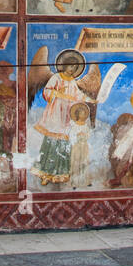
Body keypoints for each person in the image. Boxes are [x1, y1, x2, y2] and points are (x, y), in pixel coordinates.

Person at [32, 50, 91, 185]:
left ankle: (61, 174)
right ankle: (45, 174)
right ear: (65, 65)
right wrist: (58, 93)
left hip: (67, 116)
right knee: (51, 143)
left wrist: (91, 100)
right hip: (56, 114)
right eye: (71, 66)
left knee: (64, 144)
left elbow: (78, 95)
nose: (72, 69)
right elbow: (46, 92)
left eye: (75, 68)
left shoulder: (72, 81)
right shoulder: (56, 78)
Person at [68, 101, 91, 189]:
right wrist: (77, 135)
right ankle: (74, 182)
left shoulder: (85, 125)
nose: (83, 115)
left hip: (84, 145)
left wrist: (85, 135)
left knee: (85, 162)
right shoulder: (74, 125)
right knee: (75, 163)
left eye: (84, 113)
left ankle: (85, 181)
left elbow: (88, 134)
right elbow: (71, 135)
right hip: (77, 146)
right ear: (78, 114)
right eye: (81, 113)